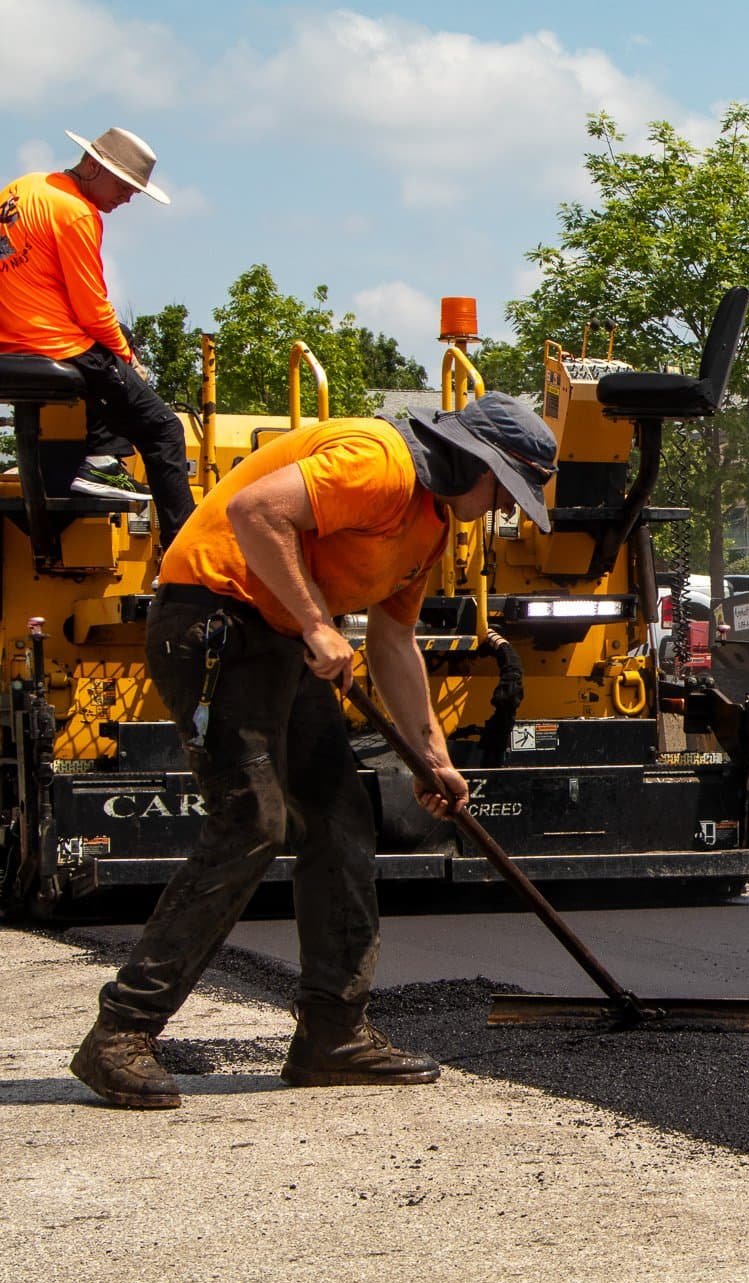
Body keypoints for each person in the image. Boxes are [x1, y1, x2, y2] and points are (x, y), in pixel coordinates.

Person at [69, 393, 558, 1109]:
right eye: (505, 491)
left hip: (280, 639)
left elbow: (393, 643)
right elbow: (255, 512)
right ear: (475, 461)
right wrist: (316, 623)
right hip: (213, 619)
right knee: (253, 822)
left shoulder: (429, 528)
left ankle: (333, 1032)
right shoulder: (379, 461)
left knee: (341, 819)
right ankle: (120, 1031)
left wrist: (434, 756)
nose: (504, 510)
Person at [0, 127, 196, 544]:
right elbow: (91, 308)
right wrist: (130, 359)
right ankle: (187, 557)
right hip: (51, 343)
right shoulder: (77, 213)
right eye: (124, 186)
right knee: (164, 430)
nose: (126, 199)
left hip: (10, 338)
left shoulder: (25, 188)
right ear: (92, 165)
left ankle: (97, 451)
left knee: (116, 344)